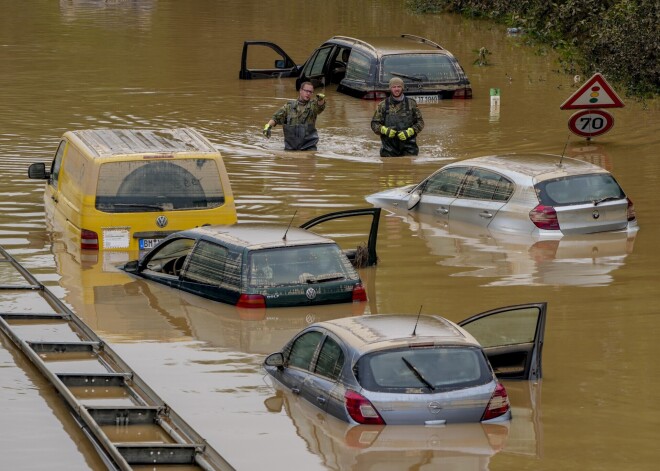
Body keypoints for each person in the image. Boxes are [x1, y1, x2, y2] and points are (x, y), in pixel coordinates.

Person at [262, 82, 326, 151]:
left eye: (311, 92)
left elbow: (320, 107)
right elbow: (276, 118)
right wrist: (268, 127)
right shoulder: (289, 106)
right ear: (301, 91)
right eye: (306, 91)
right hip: (290, 148)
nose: (308, 93)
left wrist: (321, 99)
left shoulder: (313, 106)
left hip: (309, 147)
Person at [370, 77, 424, 157]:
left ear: (402, 88)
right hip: (388, 148)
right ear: (390, 89)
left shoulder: (411, 103)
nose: (396, 89)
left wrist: (411, 131)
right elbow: (374, 124)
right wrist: (384, 130)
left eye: (399, 86)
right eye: (394, 87)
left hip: (409, 147)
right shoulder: (383, 105)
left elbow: (420, 123)